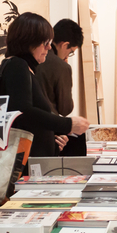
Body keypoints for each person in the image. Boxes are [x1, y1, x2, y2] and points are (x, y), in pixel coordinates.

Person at [0, 12, 89, 161]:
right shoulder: (17, 65)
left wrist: (54, 134)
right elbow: (24, 113)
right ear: (28, 42)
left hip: (35, 158)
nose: (49, 47)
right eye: (44, 43)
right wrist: (67, 124)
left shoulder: (25, 67)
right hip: (24, 161)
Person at [34, 18, 87, 156]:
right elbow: (65, 109)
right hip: (50, 133)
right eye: (71, 52)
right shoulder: (61, 67)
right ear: (65, 45)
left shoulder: (28, 62)